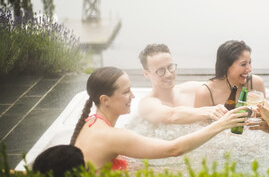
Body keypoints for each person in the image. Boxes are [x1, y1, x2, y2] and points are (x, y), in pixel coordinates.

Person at [70, 67, 247, 170]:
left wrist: (209, 111)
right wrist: (221, 125)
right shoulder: (112, 135)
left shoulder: (91, 122)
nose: (132, 95)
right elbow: (174, 149)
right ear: (104, 100)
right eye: (125, 92)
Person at [138, 44, 227, 124]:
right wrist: (209, 111)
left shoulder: (193, 89)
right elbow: (171, 116)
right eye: (161, 70)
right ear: (146, 74)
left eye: (170, 67)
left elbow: (222, 87)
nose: (168, 74)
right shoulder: (147, 104)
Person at [194, 40, 266, 108]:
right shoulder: (206, 93)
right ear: (226, 65)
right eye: (243, 64)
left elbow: (268, 117)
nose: (249, 69)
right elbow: (200, 121)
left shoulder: (255, 83)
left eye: (249, 63)